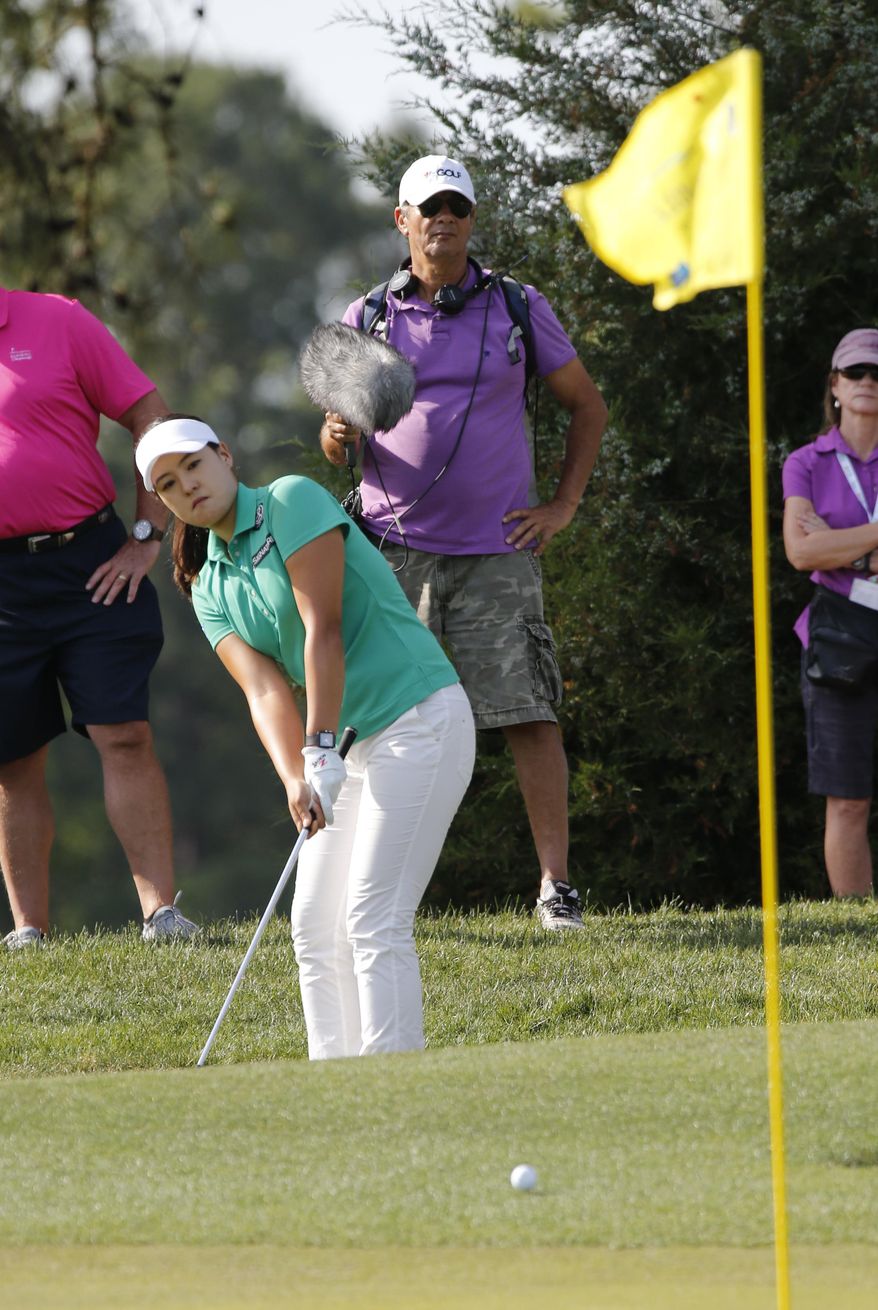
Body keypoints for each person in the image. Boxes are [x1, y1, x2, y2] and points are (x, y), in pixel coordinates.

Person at [319, 154, 608, 931]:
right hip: (390, 553)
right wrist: (336, 435)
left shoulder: (516, 305)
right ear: (402, 220)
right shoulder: (366, 316)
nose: (444, 218)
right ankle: (355, 889)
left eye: (457, 206)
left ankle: (555, 888)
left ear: (472, 219)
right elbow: (336, 444)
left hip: (496, 552)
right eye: (430, 207)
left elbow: (587, 406)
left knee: (528, 714)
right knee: (371, 721)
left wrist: (563, 506)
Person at [135, 415, 475, 1059]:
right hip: (342, 752)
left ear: (225, 456)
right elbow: (263, 691)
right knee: (314, 928)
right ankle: (332, 1088)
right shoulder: (209, 584)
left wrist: (317, 746)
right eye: (169, 485)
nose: (188, 487)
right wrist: (297, 775)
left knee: (372, 917)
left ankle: (392, 1082)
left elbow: (325, 628)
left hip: (417, 719)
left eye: (194, 466)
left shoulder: (290, 501)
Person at [0, 286, 197, 948]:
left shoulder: (57, 320)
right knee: (12, 758)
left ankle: (161, 914)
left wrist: (147, 534)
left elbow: (151, 418)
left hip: (91, 562)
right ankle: (29, 931)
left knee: (125, 733)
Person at [783, 327, 878, 898]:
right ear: (835, 385)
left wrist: (839, 543)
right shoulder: (806, 462)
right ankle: (859, 926)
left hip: (845, 598)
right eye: (856, 372)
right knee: (847, 797)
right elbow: (801, 552)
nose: (868, 381)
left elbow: (821, 547)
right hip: (839, 628)